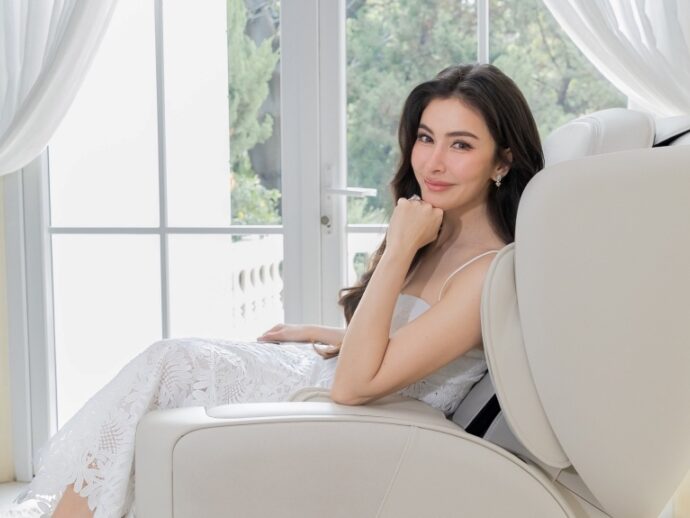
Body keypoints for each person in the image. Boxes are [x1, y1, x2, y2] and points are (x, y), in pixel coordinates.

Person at [7, 62, 543, 518]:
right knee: (165, 371)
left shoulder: (485, 271)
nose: (433, 162)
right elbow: (413, 343)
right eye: (426, 138)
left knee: (171, 366)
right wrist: (328, 333)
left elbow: (355, 387)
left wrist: (400, 248)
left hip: (351, 414)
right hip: (328, 380)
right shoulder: (436, 230)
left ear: (503, 161)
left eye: (461, 144)